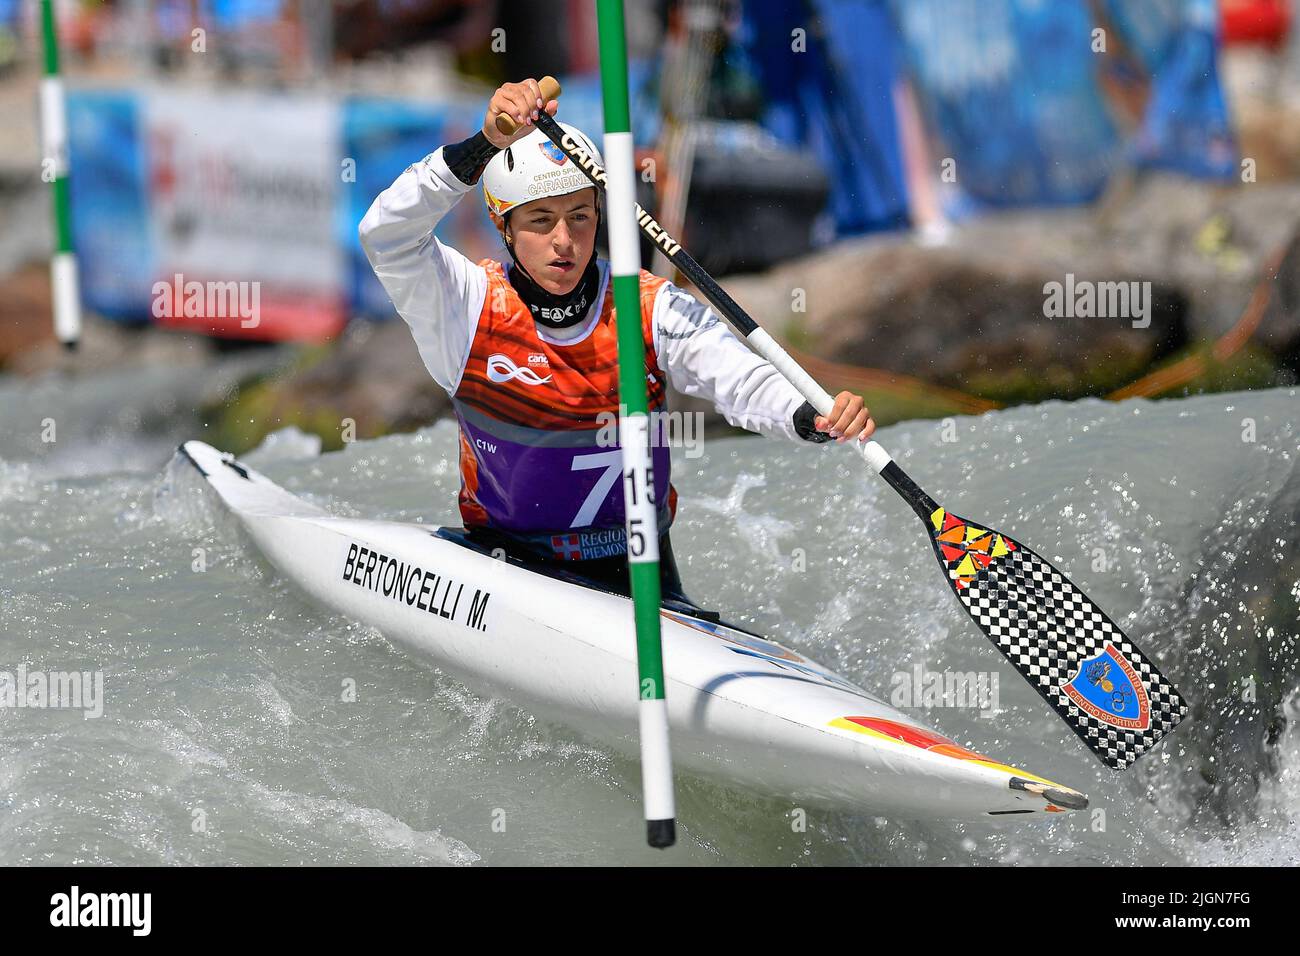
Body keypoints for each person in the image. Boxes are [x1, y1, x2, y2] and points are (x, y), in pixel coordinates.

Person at [359, 78, 875, 607]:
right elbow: (386, 234)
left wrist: (810, 416)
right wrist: (484, 145)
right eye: (540, 220)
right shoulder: (464, 306)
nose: (564, 240)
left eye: (579, 217)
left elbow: (739, 379)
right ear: (504, 227)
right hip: (507, 570)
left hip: (642, 582)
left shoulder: (647, 307)